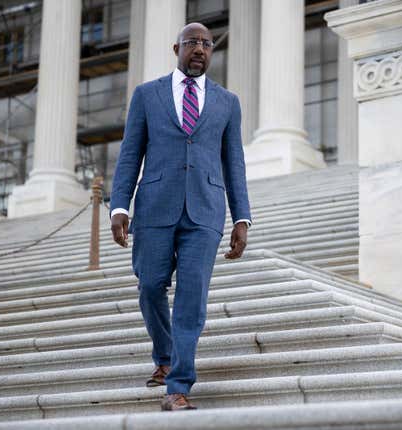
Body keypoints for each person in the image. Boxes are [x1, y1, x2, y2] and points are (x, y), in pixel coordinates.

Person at [109, 22, 252, 411]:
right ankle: (165, 354)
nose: (201, 50)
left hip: (205, 210)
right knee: (150, 285)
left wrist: (242, 217)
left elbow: (233, 162)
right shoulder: (147, 95)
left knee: (192, 299)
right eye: (193, 43)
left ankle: (179, 385)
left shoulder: (228, 102)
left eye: (207, 44)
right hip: (155, 206)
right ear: (177, 48)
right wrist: (119, 206)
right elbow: (129, 153)